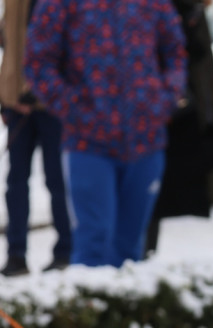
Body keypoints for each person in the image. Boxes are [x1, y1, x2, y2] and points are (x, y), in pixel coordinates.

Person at [24, 0, 186, 268]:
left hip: (146, 140)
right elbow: (38, 62)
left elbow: (176, 52)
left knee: (131, 248)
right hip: (88, 142)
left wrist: (163, 98)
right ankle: (88, 306)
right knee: (94, 243)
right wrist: (74, 107)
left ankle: (127, 308)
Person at [145, 0, 213, 257]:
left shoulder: (179, 15)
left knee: (154, 195)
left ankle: (145, 255)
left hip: (171, 114)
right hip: (130, 114)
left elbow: (188, 53)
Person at [0, 0, 72, 277]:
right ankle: (16, 254)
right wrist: (7, 95)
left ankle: (65, 250)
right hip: (16, 103)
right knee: (15, 182)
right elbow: (11, 44)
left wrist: (38, 89)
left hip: (50, 105)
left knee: (57, 180)